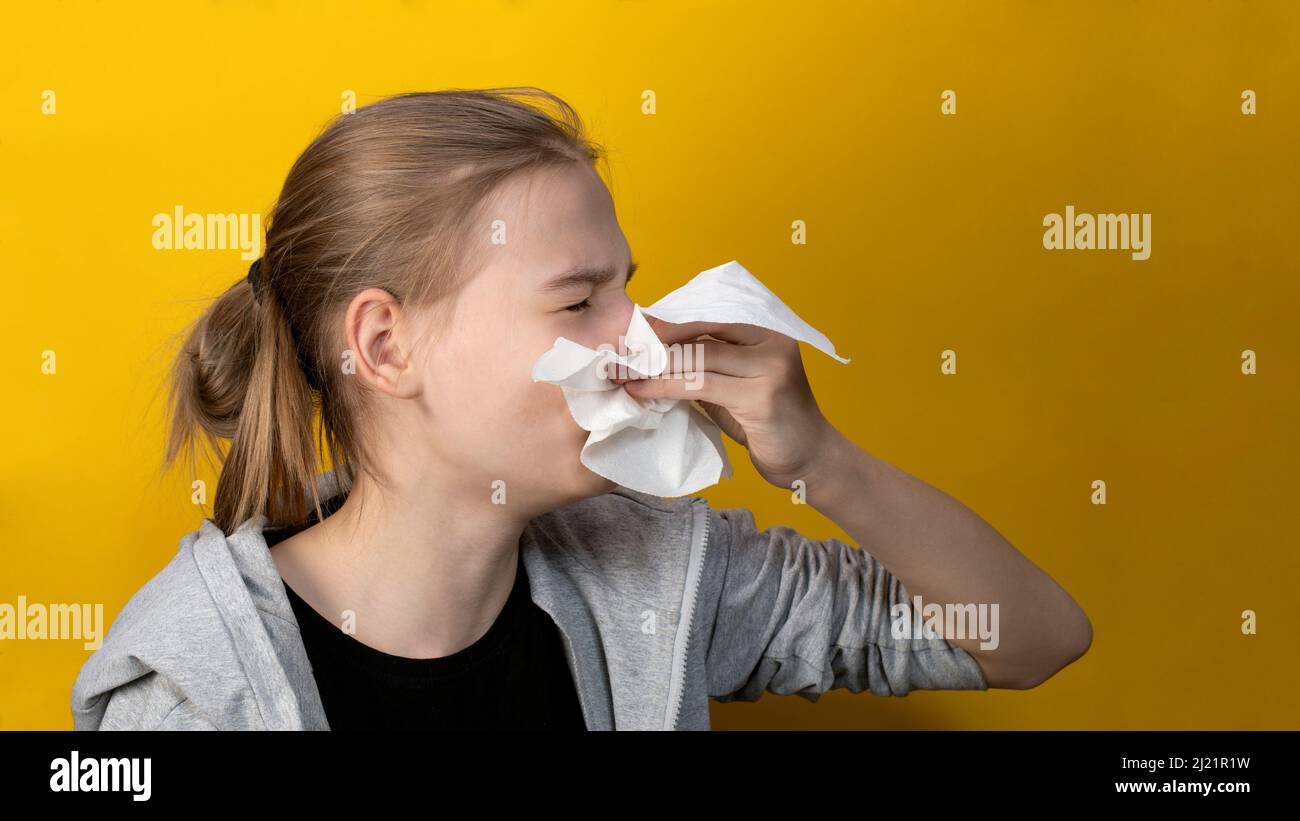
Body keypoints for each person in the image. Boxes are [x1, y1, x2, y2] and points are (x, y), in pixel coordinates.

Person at [69, 88, 1091, 731]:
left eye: (628, 290)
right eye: (579, 298)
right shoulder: (191, 693)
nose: (641, 337)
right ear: (387, 346)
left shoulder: (661, 571)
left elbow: (1032, 637)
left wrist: (822, 460)